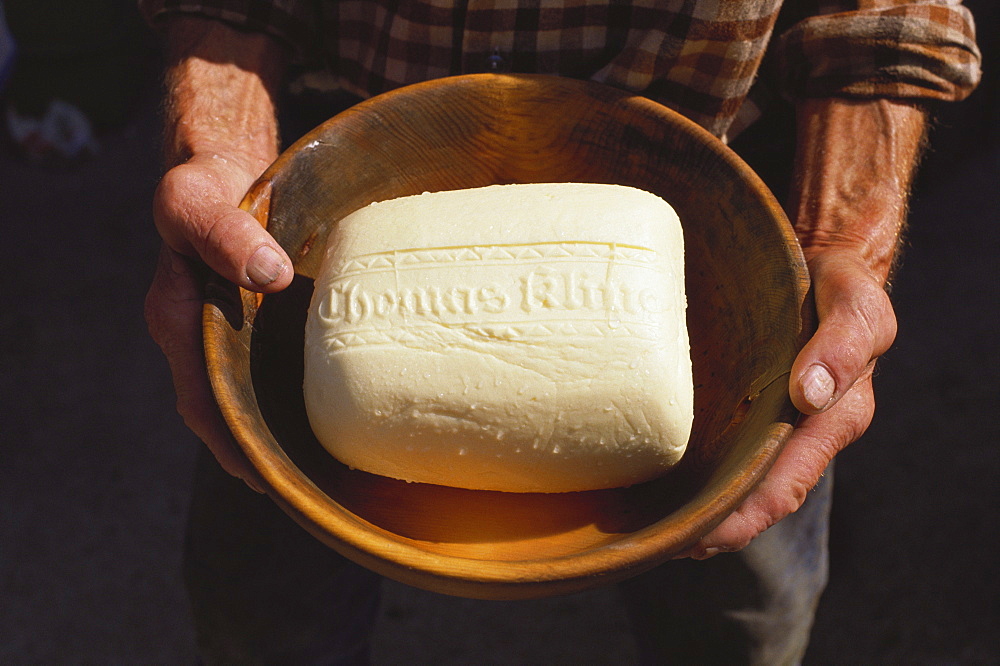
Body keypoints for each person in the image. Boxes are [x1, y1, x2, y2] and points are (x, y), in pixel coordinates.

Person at [140, 1, 981, 662]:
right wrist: (220, 145)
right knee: (266, 611)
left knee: (738, 621)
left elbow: (892, 16)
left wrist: (842, 237)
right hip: (319, 192)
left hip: (736, 217)